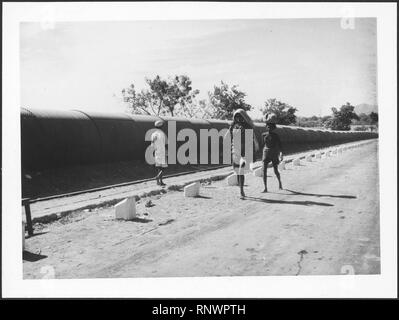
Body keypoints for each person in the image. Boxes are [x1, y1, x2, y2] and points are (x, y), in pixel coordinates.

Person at [228, 109, 260, 199]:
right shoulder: (233, 126)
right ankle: (240, 189)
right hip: (235, 151)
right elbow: (230, 138)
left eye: (240, 116)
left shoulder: (247, 126)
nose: (238, 118)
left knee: (241, 171)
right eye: (236, 117)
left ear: (243, 117)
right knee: (238, 172)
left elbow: (252, 139)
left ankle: (241, 190)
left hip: (244, 151)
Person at [262, 114, 283, 192]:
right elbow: (263, 144)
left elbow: (280, 145)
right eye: (268, 126)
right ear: (266, 126)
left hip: (274, 153)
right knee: (264, 170)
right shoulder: (263, 135)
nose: (269, 127)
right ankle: (265, 187)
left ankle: (280, 182)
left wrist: (281, 153)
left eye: (270, 126)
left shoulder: (276, 136)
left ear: (273, 127)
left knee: (275, 170)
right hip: (266, 152)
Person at [151, 120, 168, 186]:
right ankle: (158, 177)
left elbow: (152, 144)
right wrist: (166, 150)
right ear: (161, 126)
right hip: (162, 151)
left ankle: (159, 182)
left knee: (159, 167)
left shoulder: (153, 134)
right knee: (164, 167)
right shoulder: (162, 134)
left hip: (156, 151)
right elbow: (164, 143)